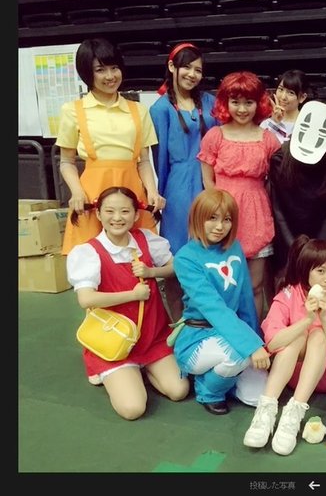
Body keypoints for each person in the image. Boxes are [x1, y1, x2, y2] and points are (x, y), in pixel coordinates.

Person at [66, 186, 189, 420]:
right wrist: (133, 295)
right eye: (109, 211)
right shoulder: (88, 252)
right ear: (98, 214)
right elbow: (86, 299)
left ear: (135, 214)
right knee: (133, 409)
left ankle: (142, 369)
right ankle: (113, 372)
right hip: (114, 342)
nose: (117, 218)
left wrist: (152, 272)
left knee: (179, 390)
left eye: (125, 211)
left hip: (152, 337)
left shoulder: (147, 240)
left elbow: (174, 267)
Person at [243, 235, 326, 455]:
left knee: (319, 335)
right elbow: (272, 342)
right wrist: (307, 319)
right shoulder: (288, 294)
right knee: (297, 335)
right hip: (293, 375)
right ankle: (266, 410)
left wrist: (323, 318)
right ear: (306, 270)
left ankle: (294, 414)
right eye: (321, 271)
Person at [57, 38, 164, 255]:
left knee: (137, 257)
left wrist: (152, 191)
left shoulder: (138, 110)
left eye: (114, 68)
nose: (110, 76)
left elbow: (144, 161)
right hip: (91, 195)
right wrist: (77, 192)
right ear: (87, 73)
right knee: (90, 258)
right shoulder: (73, 110)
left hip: (132, 191)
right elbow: (66, 161)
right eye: (100, 70)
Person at [171, 189, 270, 415]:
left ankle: (225, 378)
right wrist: (251, 346)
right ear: (198, 217)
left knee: (258, 397)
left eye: (226, 219)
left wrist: (257, 340)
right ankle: (208, 390)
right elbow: (213, 307)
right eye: (212, 218)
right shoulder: (185, 258)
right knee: (238, 356)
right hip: (198, 336)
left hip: (230, 331)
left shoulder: (234, 247)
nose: (220, 226)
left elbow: (245, 299)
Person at [198, 70, 278, 321]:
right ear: (225, 103)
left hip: (256, 216)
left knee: (255, 284)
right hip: (222, 215)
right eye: (235, 102)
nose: (242, 109)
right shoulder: (215, 136)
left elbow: (274, 182)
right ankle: (227, 332)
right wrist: (216, 214)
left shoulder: (268, 139)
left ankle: (253, 332)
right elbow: (207, 180)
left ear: (259, 103)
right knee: (223, 284)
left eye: (249, 102)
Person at [268, 99, 326, 289]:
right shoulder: (280, 161)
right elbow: (278, 212)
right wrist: (297, 250)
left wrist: (317, 252)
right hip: (289, 244)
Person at [149, 42, 218, 255]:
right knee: (179, 241)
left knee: (212, 237)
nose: (192, 74)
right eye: (187, 67)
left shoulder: (211, 102)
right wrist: (161, 194)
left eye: (198, 70)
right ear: (172, 66)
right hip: (178, 184)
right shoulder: (160, 108)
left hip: (210, 179)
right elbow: (160, 159)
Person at [260, 69, 310, 144]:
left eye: (291, 93)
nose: (283, 97)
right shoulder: (266, 124)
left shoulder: (307, 126)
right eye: (281, 89)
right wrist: (274, 123)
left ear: (302, 97)